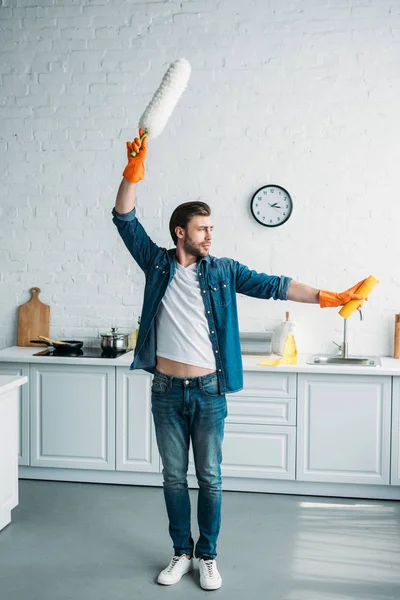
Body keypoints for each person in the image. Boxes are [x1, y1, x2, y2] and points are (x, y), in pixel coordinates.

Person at [112, 131, 365, 591]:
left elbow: (277, 284)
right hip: (166, 391)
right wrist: (132, 172)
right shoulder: (156, 264)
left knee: (209, 478)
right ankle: (180, 553)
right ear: (180, 232)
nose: (211, 234)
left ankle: (207, 556)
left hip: (208, 390)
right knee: (173, 477)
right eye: (203, 228)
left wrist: (330, 297)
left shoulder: (224, 271)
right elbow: (124, 217)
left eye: (212, 228)